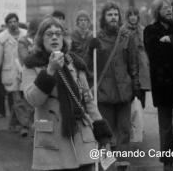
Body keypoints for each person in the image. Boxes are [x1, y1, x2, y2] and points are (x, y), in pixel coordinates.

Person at [23, 17, 112, 171]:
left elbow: (88, 100)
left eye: (58, 33)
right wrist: (50, 70)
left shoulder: (75, 62)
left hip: (81, 139)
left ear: (64, 38)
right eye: (49, 34)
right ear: (40, 39)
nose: (54, 37)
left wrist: (102, 133)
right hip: (52, 143)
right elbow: (33, 99)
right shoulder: (32, 65)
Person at [87, 2, 139, 171]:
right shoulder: (96, 38)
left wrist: (135, 85)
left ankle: (122, 164)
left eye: (116, 14)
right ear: (104, 18)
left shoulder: (127, 37)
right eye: (109, 15)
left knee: (124, 131)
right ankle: (105, 165)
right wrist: (90, 50)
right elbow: (89, 67)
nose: (113, 18)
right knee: (104, 133)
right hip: (104, 93)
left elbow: (133, 64)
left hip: (124, 91)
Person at [144, 0, 173, 171]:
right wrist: (171, 45)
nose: (169, 10)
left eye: (170, 7)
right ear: (157, 11)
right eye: (165, 8)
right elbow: (154, 53)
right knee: (165, 126)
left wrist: (171, 40)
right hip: (162, 83)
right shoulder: (150, 30)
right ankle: (168, 161)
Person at [0, 12, 31, 136]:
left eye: (15, 21)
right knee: (17, 100)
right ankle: (25, 126)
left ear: (18, 22)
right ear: (7, 24)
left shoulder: (26, 34)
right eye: (10, 22)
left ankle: (14, 123)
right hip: (11, 72)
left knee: (28, 100)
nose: (13, 24)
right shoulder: (2, 37)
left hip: (26, 71)